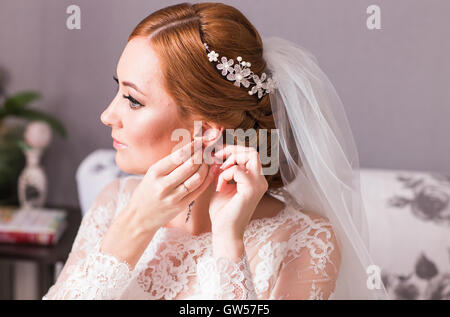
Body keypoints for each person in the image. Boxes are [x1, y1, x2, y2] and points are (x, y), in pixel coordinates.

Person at [42, 2, 389, 300]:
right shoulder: (115, 201)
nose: (107, 115)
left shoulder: (305, 240)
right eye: (119, 90)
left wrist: (229, 240)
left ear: (206, 129)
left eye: (133, 100)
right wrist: (137, 222)